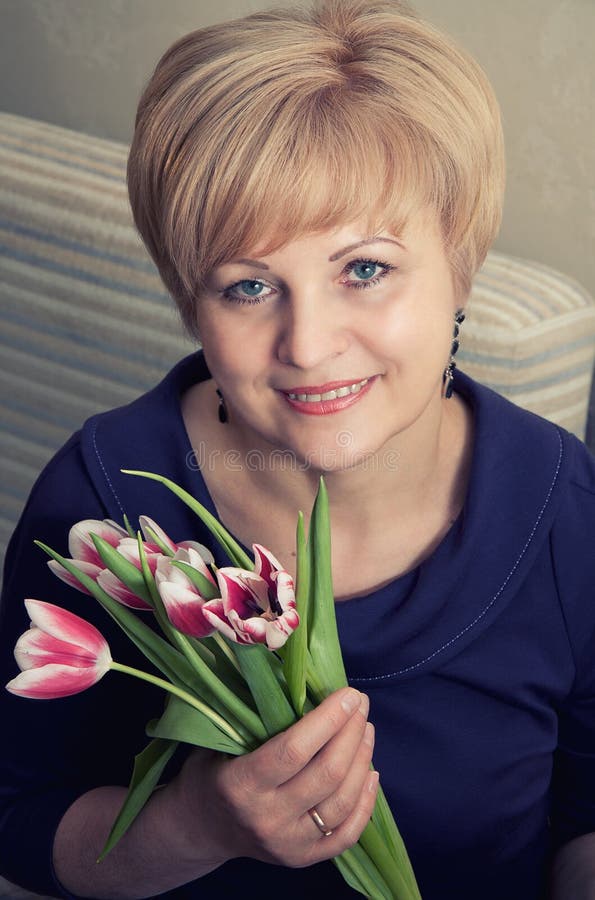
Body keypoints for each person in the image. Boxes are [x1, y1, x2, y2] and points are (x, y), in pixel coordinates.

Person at [1, 0, 594, 897]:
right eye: (247, 286)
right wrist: (195, 827)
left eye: (364, 268)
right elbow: (19, 817)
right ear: (189, 302)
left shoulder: (563, 510)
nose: (308, 345)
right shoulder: (107, 499)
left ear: (461, 262)